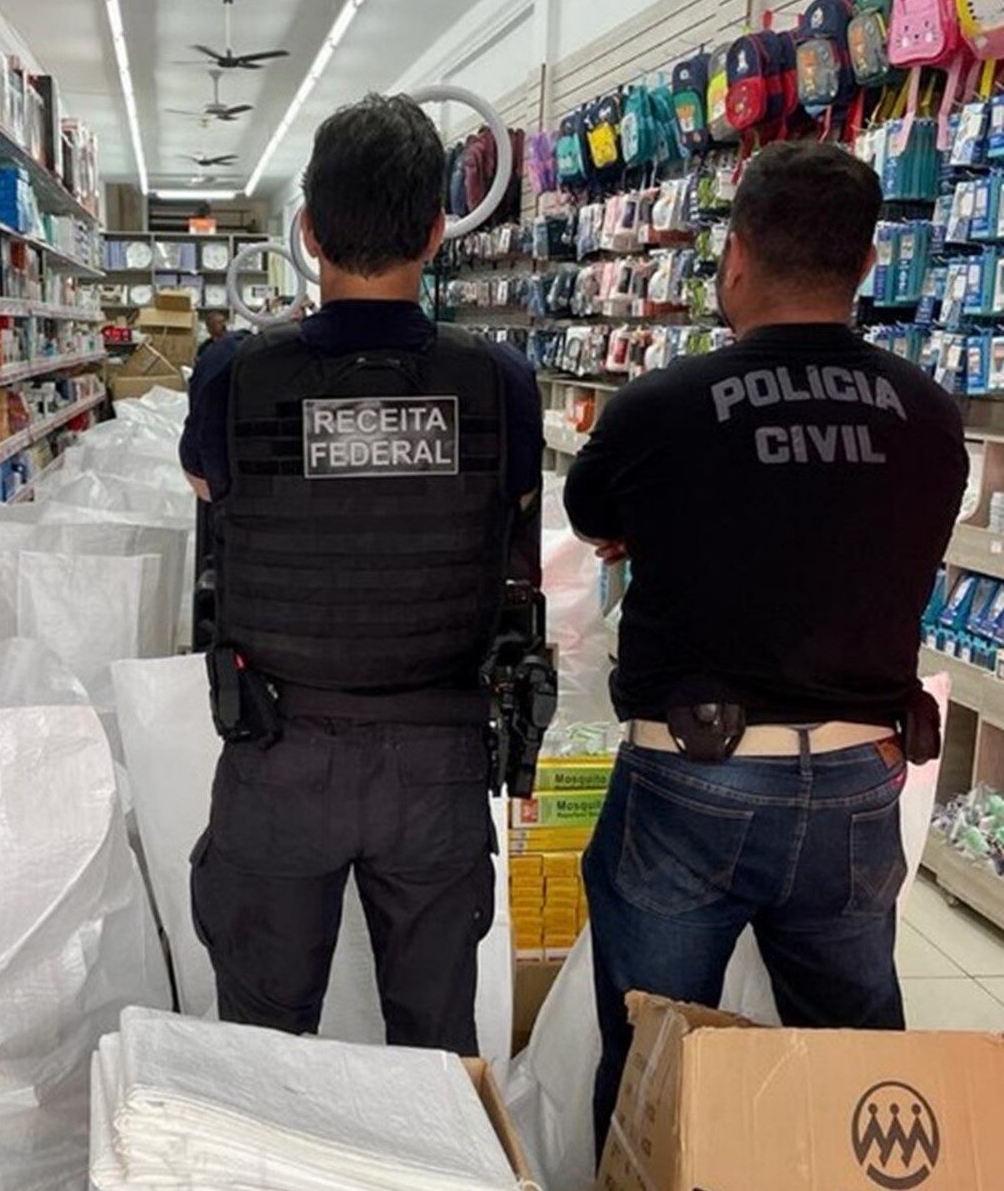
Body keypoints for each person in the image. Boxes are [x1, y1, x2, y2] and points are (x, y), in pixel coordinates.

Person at [564, 141, 968, 1161]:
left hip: (690, 780)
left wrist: (666, 525)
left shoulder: (660, 408)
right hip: (858, 780)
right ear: (866, 265)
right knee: (855, 1070)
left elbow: (594, 513)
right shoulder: (929, 415)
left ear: (735, 254)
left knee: (657, 1061)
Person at [179, 92, 544, 1054]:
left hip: (276, 752)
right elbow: (510, 512)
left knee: (261, 1047)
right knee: (434, 1049)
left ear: (306, 231)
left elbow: (209, 492)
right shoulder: (498, 380)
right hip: (436, 759)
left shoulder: (232, 372)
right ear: (435, 231)